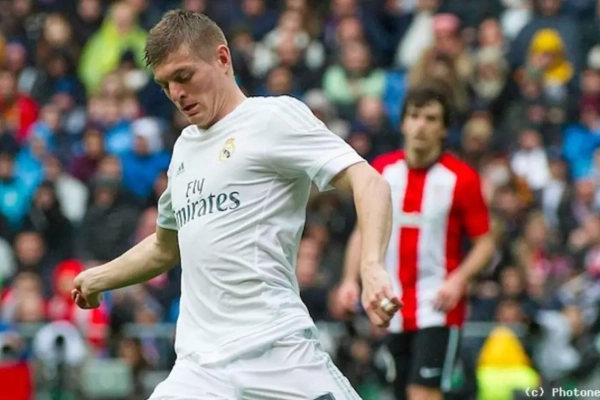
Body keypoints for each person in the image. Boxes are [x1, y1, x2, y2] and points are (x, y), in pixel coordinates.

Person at [71, 10, 401, 400]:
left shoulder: (272, 118)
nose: (176, 93)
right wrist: (99, 277)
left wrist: (371, 266)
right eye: (165, 84)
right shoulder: (184, 149)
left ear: (222, 58)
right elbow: (165, 246)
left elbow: (369, 182)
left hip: (276, 353)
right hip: (199, 370)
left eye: (184, 76)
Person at [337, 84, 495, 400]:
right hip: (390, 304)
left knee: (422, 393)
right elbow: (362, 231)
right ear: (403, 123)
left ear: (444, 129)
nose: (421, 125)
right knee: (399, 392)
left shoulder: (461, 178)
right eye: (415, 116)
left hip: (437, 306)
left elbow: (485, 242)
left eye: (431, 118)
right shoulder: (382, 171)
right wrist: (349, 280)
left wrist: (459, 280)